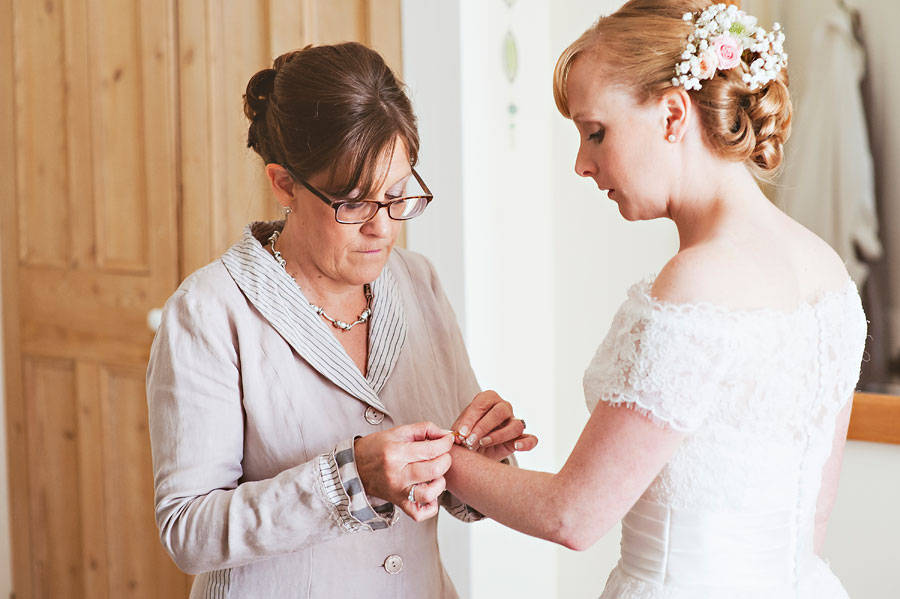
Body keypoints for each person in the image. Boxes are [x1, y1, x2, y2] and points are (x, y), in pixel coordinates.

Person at [444, 2, 867, 597]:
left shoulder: (696, 287)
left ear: (672, 114)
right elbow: (815, 517)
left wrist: (439, 460)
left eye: (596, 132)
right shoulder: (828, 273)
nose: (581, 164)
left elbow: (574, 515)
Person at [146, 42, 536, 598]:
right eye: (354, 202)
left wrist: (477, 463)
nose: (382, 227)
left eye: (398, 193)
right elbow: (187, 531)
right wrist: (349, 479)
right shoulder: (210, 310)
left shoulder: (417, 281)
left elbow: (448, 485)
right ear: (283, 184)